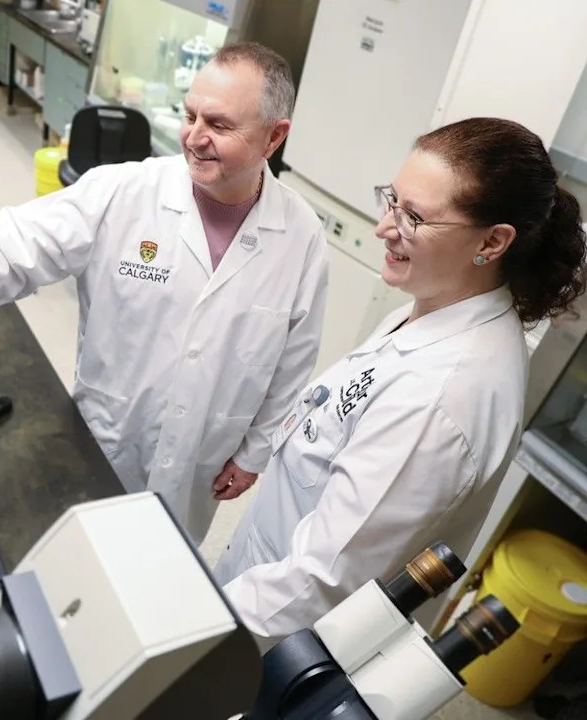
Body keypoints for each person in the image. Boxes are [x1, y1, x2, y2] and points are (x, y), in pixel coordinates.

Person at [0, 43, 329, 542]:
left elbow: (293, 360)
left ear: (273, 137)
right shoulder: (122, 192)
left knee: (166, 567)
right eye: (190, 116)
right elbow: (9, 246)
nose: (194, 138)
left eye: (218, 125)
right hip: (107, 440)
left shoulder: (301, 235)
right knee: (85, 563)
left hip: (203, 461)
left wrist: (254, 452)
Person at [215, 117, 587, 645]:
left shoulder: (442, 396)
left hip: (274, 638)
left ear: (494, 240)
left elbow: (322, 581)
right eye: (393, 200)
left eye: (414, 216)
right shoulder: (433, 311)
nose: (385, 227)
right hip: (261, 579)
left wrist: (195, 629)